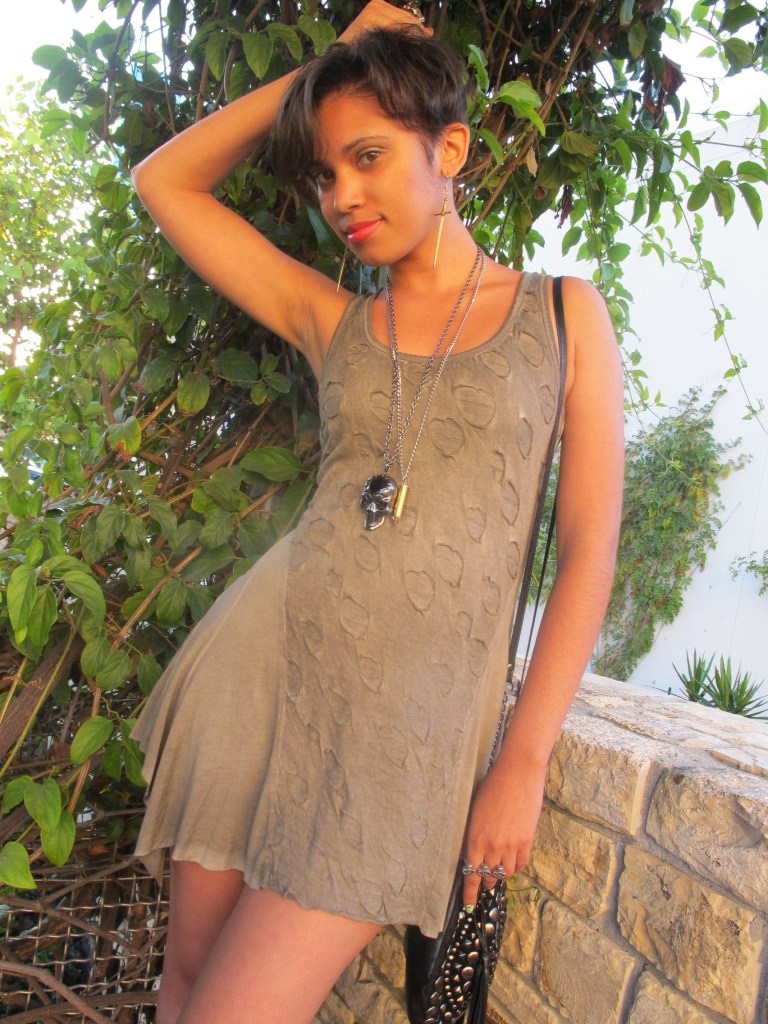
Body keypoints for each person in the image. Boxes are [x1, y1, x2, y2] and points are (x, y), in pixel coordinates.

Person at [129, 1, 624, 1022]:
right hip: (256, 680)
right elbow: (164, 183)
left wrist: (523, 762)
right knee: (184, 985)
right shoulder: (335, 320)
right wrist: (330, 62)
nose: (341, 197)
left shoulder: (563, 314)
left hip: (404, 738)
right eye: (323, 174)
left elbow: (588, 549)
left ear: (451, 151)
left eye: (366, 157)